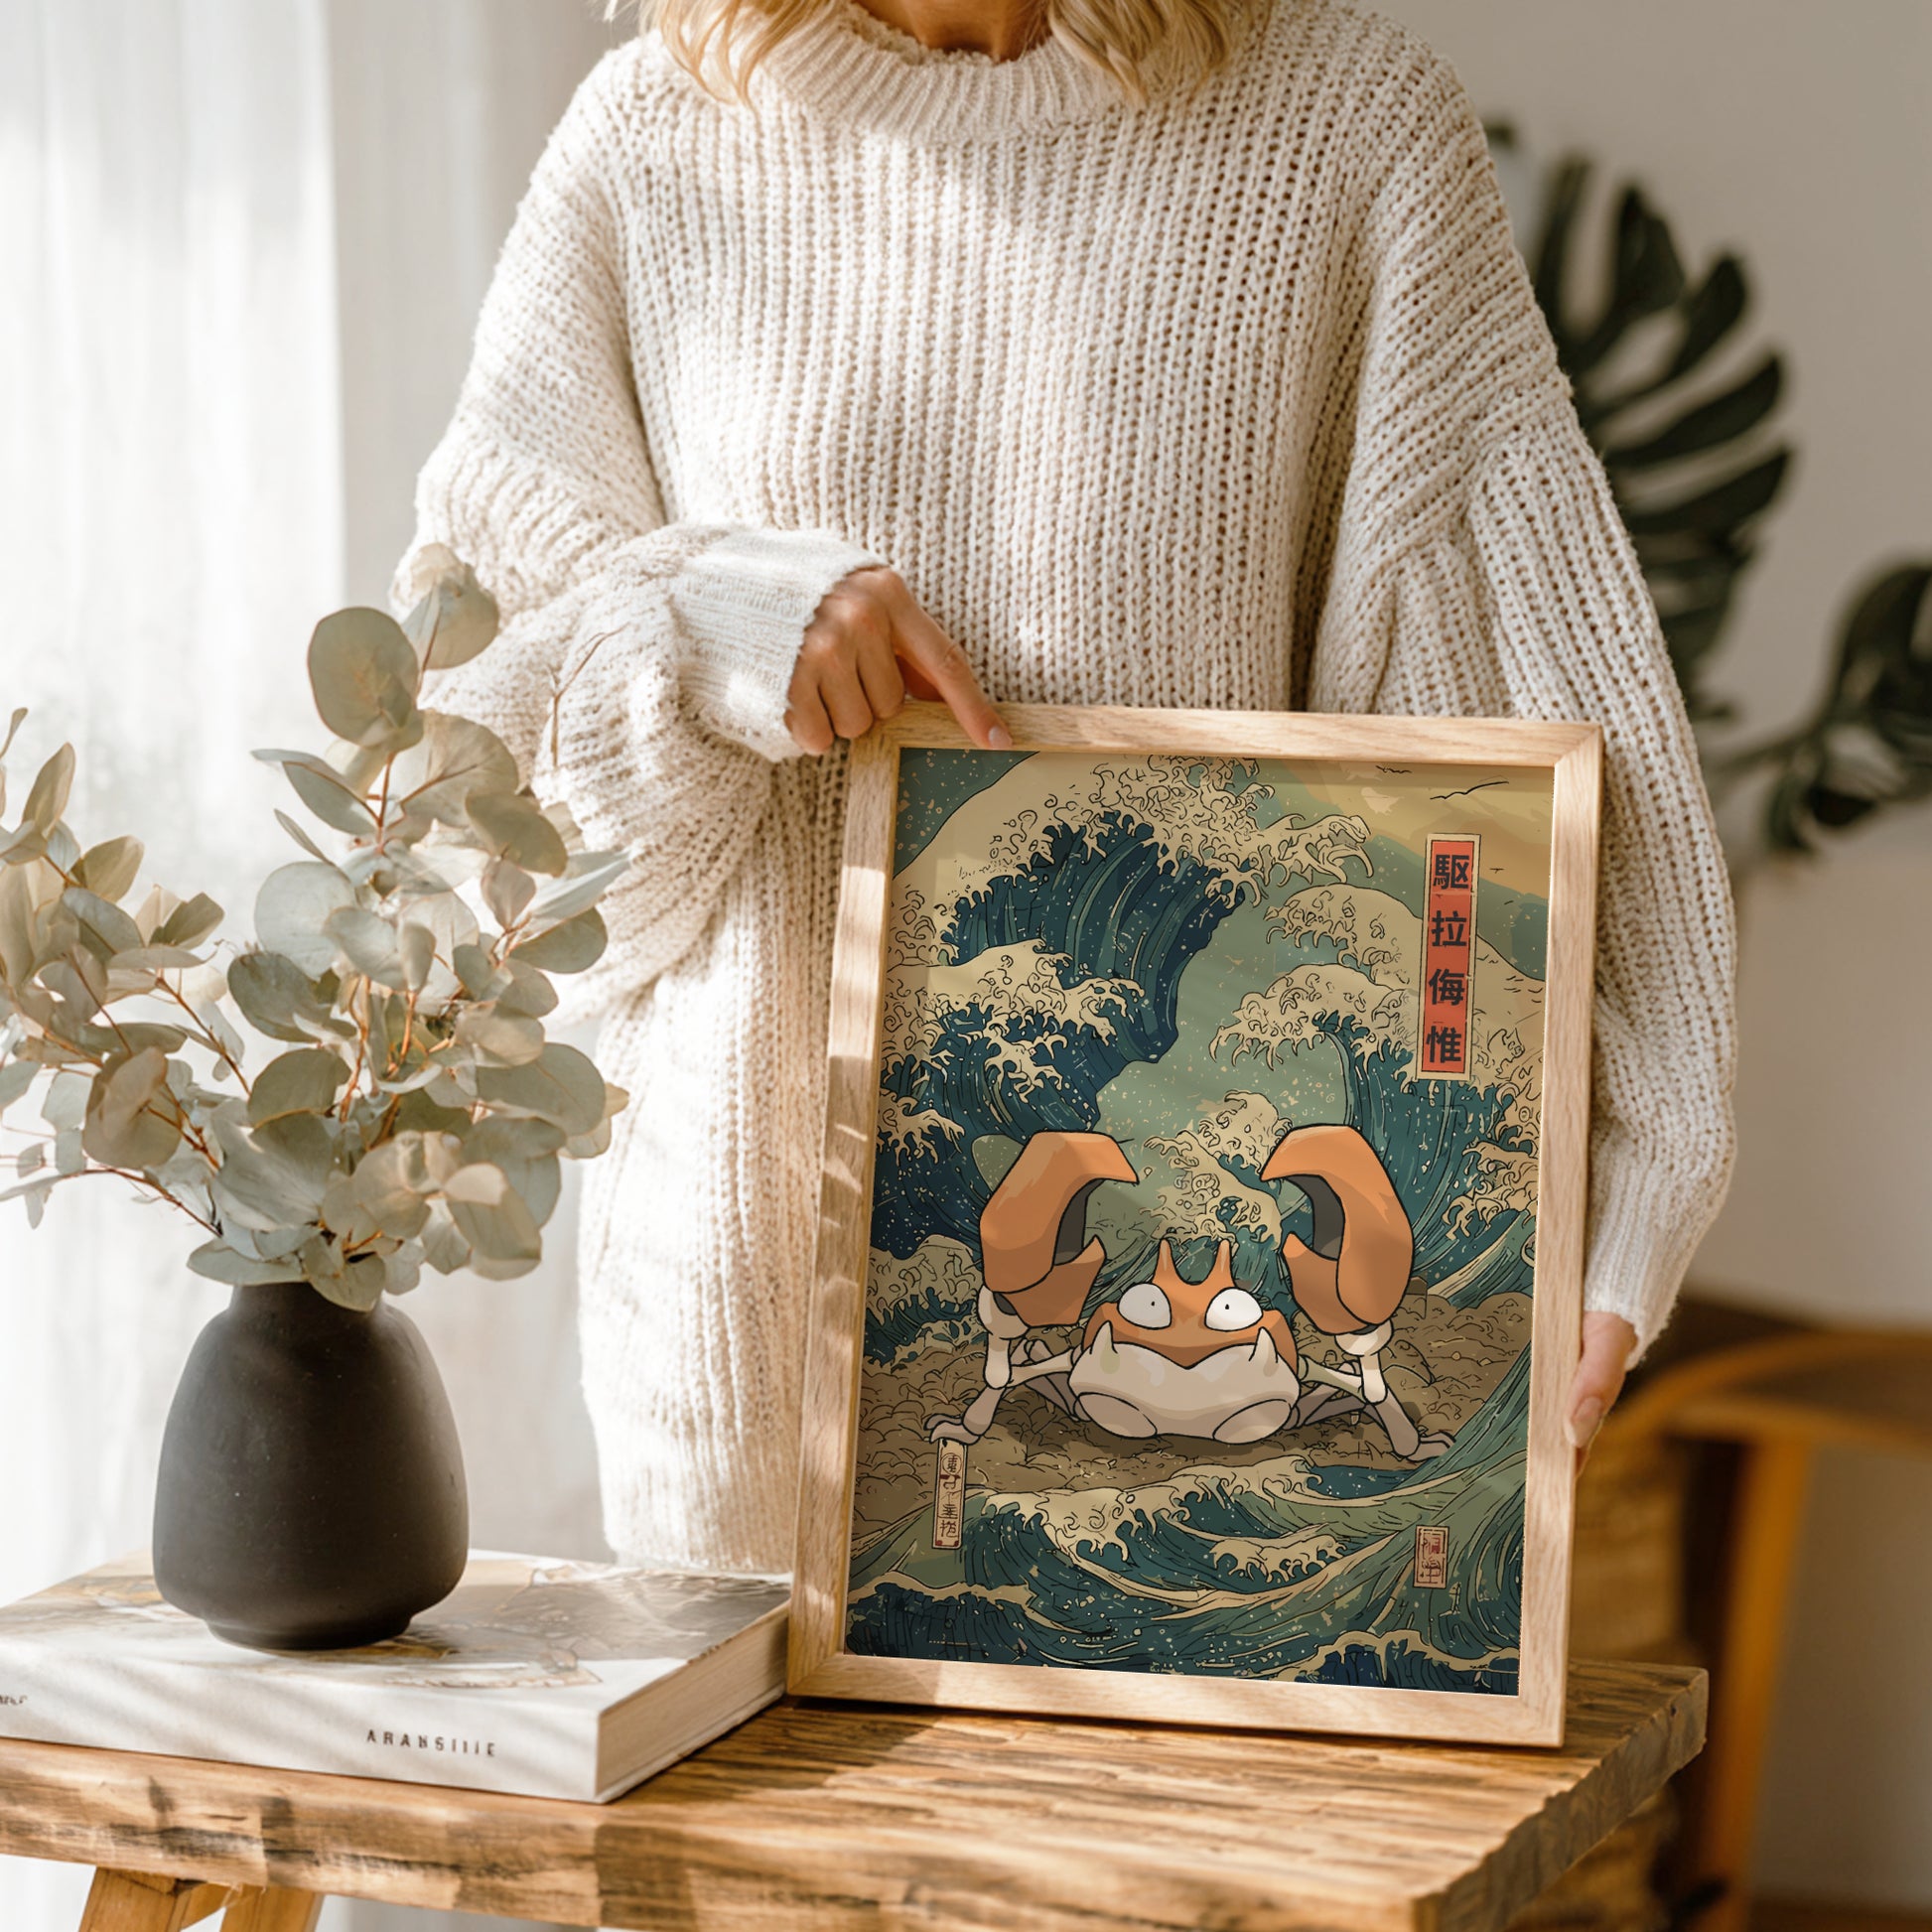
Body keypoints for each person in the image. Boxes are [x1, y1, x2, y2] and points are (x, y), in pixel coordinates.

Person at [393, 0, 1736, 1576]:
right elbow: (466, 821)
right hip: (737, 1341)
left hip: (1212, 1351)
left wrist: (1629, 1169)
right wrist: (705, 620)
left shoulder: (1343, 126)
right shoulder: (650, 140)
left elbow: (1518, 696)